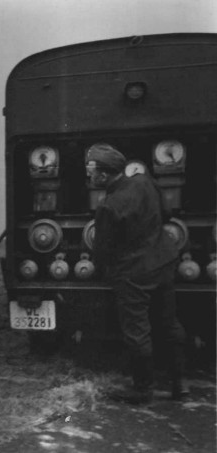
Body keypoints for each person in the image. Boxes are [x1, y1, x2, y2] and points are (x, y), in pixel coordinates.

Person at [86, 143, 186, 404]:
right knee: (169, 324)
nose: (90, 175)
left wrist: (105, 270)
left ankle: (143, 389)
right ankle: (179, 384)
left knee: (137, 332)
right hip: (163, 262)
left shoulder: (108, 206)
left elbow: (102, 252)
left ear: (105, 175)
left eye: (92, 170)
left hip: (133, 274)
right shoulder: (144, 181)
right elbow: (166, 214)